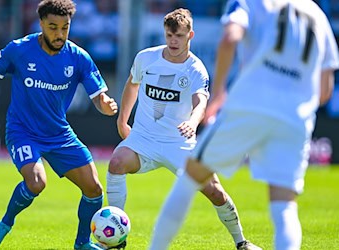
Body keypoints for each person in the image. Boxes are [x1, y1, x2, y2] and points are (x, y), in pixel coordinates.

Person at [149, 0, 339, 249]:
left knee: (189, 179)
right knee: (284, 207)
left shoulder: (253, 1)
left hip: (250, 104)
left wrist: (218, 93)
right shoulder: (317, 14)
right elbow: (325, 89)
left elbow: (230, 37)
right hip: (295, 117)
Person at [0, 1, 118, 249]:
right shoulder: (20, 50)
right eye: (53, 27)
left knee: (94, 189)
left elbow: (99, 98)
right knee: (36, 182)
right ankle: (5, 223)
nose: (59, 34)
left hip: (59, 134)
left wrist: (106, 106)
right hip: (22, 132)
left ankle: (82, 244)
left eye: (64, 28)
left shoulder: (79, 58)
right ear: (40, 25)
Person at [107, 8, 260, 250]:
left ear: (190, 35)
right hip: (143, 139)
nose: (173, 41)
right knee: (116, 163)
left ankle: (241, 242)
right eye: (169, 35)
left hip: (178, 143)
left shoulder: (196, 69)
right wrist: (122, 120)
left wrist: (192, 122)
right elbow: (132, 84)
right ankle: (116, 239)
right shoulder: (146, 58)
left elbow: (201, 102)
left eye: (179, 35)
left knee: (215, 192)